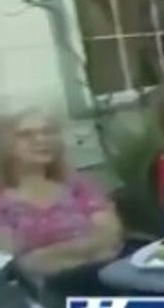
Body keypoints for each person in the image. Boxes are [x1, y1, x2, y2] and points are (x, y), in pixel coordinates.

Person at [0, 108, 122, 288]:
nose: (41, 140)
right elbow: (17, 261)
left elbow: (109, 235)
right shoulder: (4, 201)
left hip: (103, 274)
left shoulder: (77, 185)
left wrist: (51, 254)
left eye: (47, 132)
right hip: (43, 292)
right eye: (25, 135)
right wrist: (87, 249)